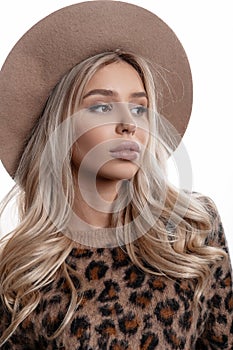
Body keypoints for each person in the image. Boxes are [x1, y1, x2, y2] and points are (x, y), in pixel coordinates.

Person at [0, 1, 232, 349]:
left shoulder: (191, 228)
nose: (129, 125)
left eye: (139, 108)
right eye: (102, 106)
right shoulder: (21, 272)